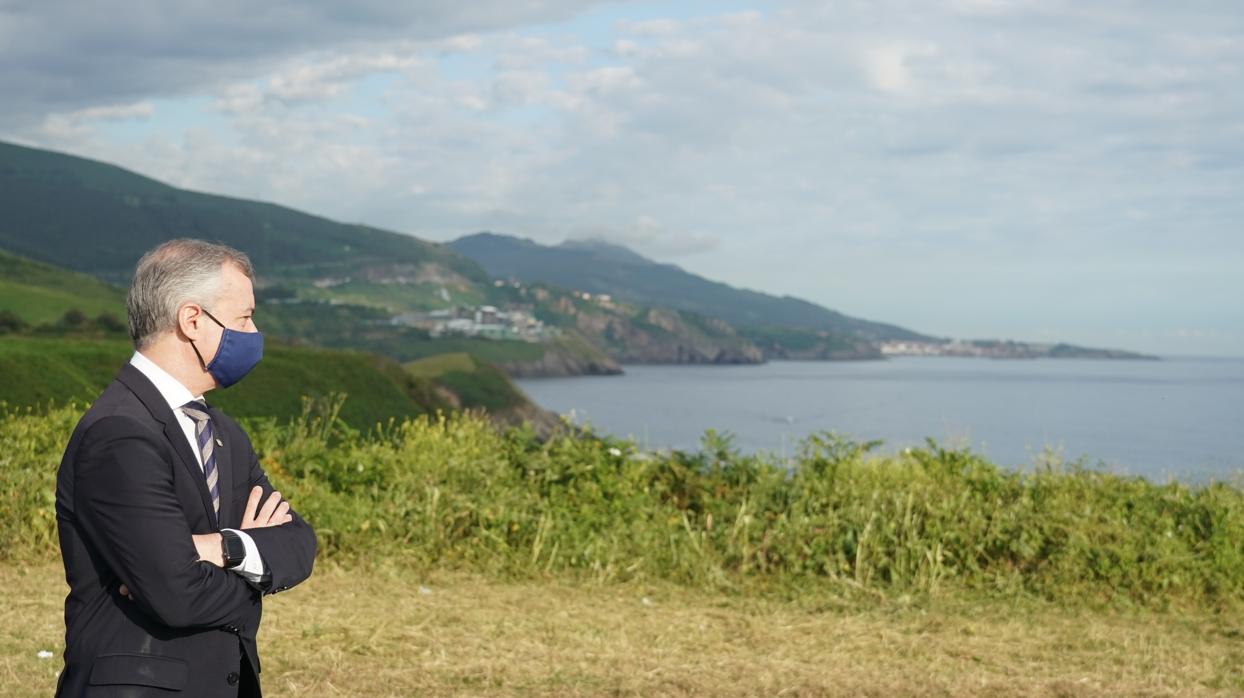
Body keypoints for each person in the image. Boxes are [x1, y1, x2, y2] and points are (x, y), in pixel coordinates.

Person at [55, 239, 317, 697]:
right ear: (192, 320)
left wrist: (225, 548)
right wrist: (254, 581)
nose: (254, 332)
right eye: (244, 318)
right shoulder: (120, 433)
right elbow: (177, 595)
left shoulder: (223, 431)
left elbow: (298, 542)